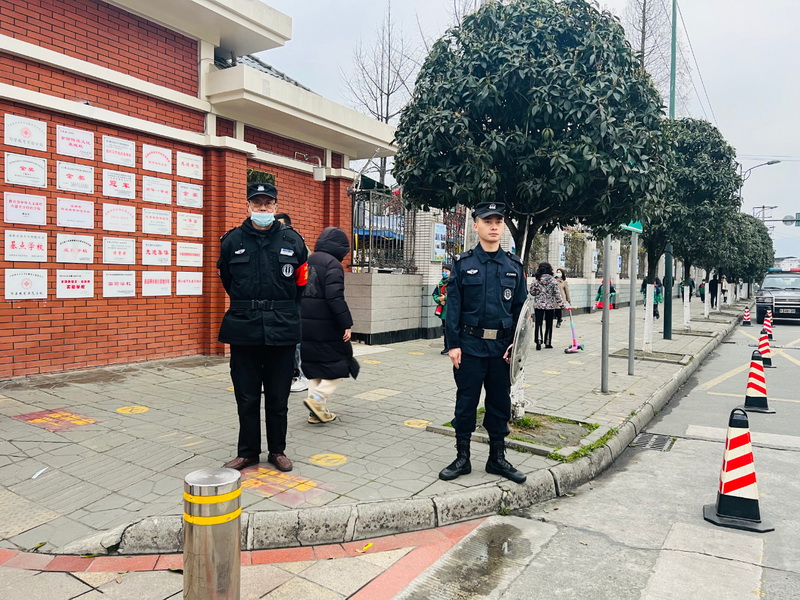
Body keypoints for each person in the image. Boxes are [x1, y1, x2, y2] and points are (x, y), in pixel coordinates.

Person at [217, 183, 309, 472]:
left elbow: (301, 283)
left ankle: (277, 450)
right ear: (248, 206)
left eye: (268, 204)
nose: (262, 208)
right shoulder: (232, 240)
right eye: (257, 203)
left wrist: (280, 307)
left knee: (278, 396)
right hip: (244, 327)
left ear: (275, 207)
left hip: (282, 327)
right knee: (246, 396)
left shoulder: (293, 240)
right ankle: (248, 452)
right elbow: (228, 280)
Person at [440, 202, 528, 484]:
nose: (493, 226)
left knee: (499, 403)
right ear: (476, 225)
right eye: (487, 221)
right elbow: (453, 307)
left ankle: (497, 458)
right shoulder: (464, 264)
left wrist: (517, 346)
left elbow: (521, 311)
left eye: (498, 222)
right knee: (466, 402)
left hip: (502, 351)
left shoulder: (513, 266)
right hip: (469, 347)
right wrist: (453, 345)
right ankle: (462, 458)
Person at [301, 227, 357, 425]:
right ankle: (317, 400)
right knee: (340, 365)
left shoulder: (308, 260)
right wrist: (346, 323)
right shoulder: (333, 264)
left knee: (315, 367)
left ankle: (316, 413)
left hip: (305, 322)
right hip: (327, 324)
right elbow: (335, 297)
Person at [275, 212, 310, 394]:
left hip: (296, 302)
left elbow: (303, 279)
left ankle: (303, 376)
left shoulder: (298, 245)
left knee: (297, 341)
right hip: (278, 304)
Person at [530, 262, 563, 350]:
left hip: (538, 305)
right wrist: (561, 304)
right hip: (550, 305)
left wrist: (538, 292)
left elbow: (532, 292)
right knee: (549, 323)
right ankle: (548, 342)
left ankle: (538, 340)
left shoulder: (536, 280)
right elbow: (557, 293)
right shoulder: (553, 281)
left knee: (538, 323)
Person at [433, 264, 452, 354]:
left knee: (451, 329)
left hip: (452, 310)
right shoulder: (440, 284)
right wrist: (439, 300)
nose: (444, 273)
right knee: (445, 329)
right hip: (444, 311)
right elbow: (435, 294)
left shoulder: (454, 282)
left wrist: (445, 298)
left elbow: (456, 295)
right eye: (443, 271)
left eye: (446, 271)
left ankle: (452, 347)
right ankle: (446, 347)